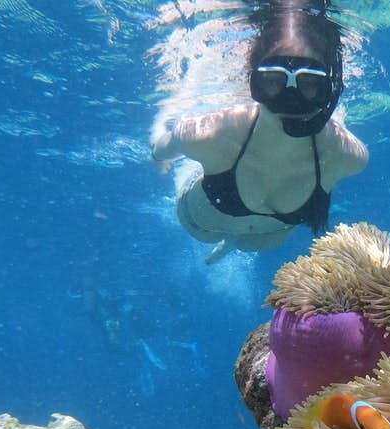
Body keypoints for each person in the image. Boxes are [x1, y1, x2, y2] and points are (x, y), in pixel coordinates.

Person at [150, 0, 369, 263]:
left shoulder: (347, 154)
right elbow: (160, 148)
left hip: (262, 238)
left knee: (244, 244)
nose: (291, 99)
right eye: (273, 81)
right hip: (202, 226)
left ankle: (231, 245)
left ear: (329, 89)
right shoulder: (211, 134)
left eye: (310, 83)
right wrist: (159, 155)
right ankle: (230, 243)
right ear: (253, 81)